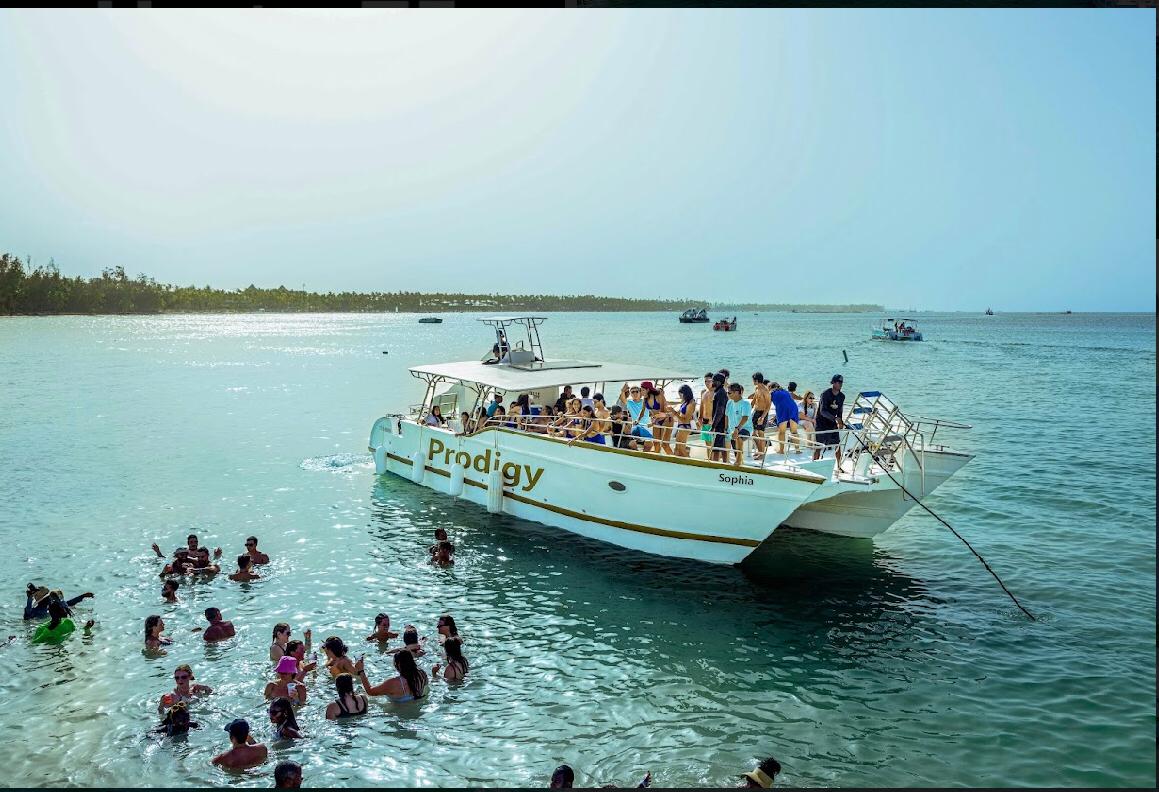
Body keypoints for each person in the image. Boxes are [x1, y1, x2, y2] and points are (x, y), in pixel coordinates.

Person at [355, 649, 429, 703]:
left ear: (398, 665)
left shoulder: (393, 683)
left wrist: (361, 671)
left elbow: (370, 691)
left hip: (398, 715)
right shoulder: (422, 674)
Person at [815, 374, 846, 463]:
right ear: (833, 383)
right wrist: (834, 418)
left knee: (837, 445)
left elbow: (840, 410)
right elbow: (822, 411)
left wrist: (840, 420)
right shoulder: (825, 394)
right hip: (821, 423)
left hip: (832, 424)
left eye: (841, 382)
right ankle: (815, 465)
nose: (840, 384)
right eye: (838, 382)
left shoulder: (842, 396)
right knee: (819, 447)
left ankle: (840, 466)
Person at [617, 384, 655, 451]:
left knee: (648, 444)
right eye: (632, 392)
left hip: (646, 426)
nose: (635, 393)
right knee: (635, 438)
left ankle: (643, 456)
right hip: (636, 427)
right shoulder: (629, 403)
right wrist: (622, 391)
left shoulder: (645, 401)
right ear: (630, 394)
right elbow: (622, 398)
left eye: (637, 391)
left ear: (640, 392)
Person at [23, 584, 93, 621]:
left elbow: (69, 603)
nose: (50, 598)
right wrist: (29, 599)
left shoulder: (54, 606)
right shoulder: (37, 610)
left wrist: (82, 596)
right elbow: (28, 613)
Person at [642, 381, 674, 455]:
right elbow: (643, 411)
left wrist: (654, 421)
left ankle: (674, 461)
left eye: (642, 390)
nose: (641, 392)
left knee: (664, 444)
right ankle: (657, 460)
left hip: (666, 419)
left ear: (648, 389)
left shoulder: (659, 395)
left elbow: (663, 411)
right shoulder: (645, 398)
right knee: (656, 443)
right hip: (657, 420)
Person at [770, 382, 801, 456]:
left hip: (783, 409)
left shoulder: (772, 393)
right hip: (793, 408)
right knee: (794, 431)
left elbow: (768, 404)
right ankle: (797, 450)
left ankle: (781, 450)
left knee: (782, 432)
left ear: (771, 387)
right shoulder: (785, 391)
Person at [726, 383, 752, 466]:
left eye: (729, 393)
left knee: (739, 437)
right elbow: (726, 416)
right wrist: (725, 428)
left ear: (737, 392)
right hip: (731, 430)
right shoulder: (729, 403)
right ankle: (739, 463)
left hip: (745, 428)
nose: (728, 394)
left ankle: (738, 461)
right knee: (736, 451)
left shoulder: (745, 403)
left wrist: (737, 429)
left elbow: (745, 418)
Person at [749, 373, 772, 458]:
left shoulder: (765, 391)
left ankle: (761, 454)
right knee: (753, 433)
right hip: (756, 412)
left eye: (753, 380)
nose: (752, 382)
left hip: (763, 413)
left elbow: (769, 405)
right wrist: (747, 412)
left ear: (756, 380)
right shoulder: (757, 388)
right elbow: (754, 401)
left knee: (761, 433)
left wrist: (762, 417)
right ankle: (760, 451)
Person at [672, 384, 697, 457]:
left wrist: (674, 412)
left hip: (685, 426)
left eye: (680, 394)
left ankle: (690, 463)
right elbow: (679, 413)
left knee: (681, 449)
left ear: (685, 393)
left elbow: (685, 419)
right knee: (677, 449)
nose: (680, 396)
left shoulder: (691, 403)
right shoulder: (685, 402)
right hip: (681, 426)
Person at [709, 373, 729, 462]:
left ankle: (714, 464)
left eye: (713, 381)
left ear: (719, 382)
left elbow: (719, 411)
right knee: (722, 446)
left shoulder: (720, 393)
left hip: (720, 424)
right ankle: (725, 462)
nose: (712, 382)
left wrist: (713, 426)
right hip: (722, 424)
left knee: (716, 447)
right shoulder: (720, 392)